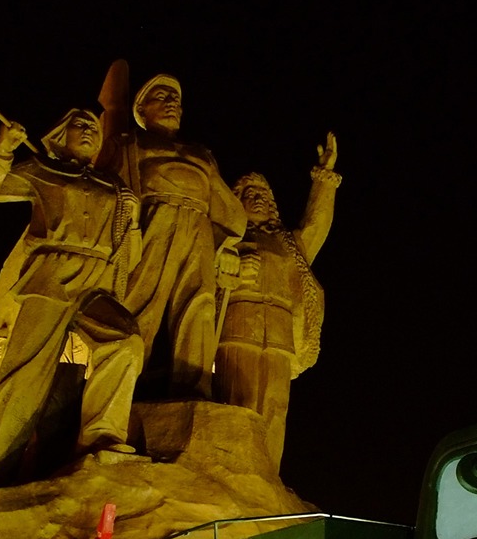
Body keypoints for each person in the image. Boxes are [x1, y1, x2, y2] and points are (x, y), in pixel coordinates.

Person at [0, 108, 145, 485]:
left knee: (126, 341)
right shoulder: (41, 170)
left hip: (97, 280)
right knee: (25, 374)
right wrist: (2, 149)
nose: (89, 133)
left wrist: (131, 214)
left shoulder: (113, 185)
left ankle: (102, 436)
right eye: (80, 126)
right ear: (59, 135)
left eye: (94, 129)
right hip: (51, 277)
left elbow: (129, 246)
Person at [97, 67, 246, 399]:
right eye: (161, 97)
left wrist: (227, 245)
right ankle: (122, 391)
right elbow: (106, 186)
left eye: (175, 99)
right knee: (140, 304)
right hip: (154, 220)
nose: (171, 104)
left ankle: (193, 389)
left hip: (198, 228)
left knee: (199, 306)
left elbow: (228, 210)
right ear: (142, 111)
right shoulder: (131, 143)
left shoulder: (200, 153)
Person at [214, 134, 341, 469]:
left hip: (281, 332)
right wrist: (232, 265)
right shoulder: (224, 239)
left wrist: (324, 179)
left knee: (275, 409)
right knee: (237, 402)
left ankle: (267, 474)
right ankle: (232, 469)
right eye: (249, 194)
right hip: (237, 325)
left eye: (262, 195)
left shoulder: (290, 243)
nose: (257, 200)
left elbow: (317, 224)